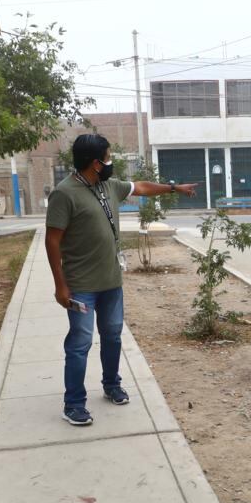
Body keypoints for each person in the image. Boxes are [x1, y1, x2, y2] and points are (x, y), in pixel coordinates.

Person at [45, 133, 197, 427]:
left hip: (111, 282)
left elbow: (139, 187)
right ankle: (73, 403)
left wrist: (172, 187)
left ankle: (111, 384)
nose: (111, 161)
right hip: (81, 286)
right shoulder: (64, 194)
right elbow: (53, 242)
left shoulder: (107, 185)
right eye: (108, 156)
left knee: (112, 336)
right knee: (80, 343)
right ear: (95, 162)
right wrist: (60, 285)